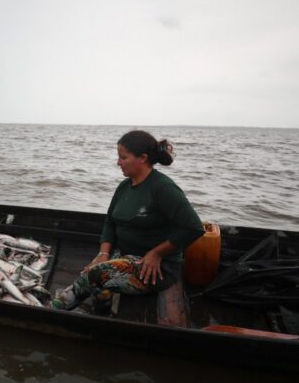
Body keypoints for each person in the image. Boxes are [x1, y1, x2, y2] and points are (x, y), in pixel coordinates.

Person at [52, 129, 204, 313]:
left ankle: (56, 310)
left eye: (123, 157)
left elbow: (194, 227)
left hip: (155, 268)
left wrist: (157, 253)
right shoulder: (124, 186)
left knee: (95, 275)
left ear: (142, 158)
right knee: (90, 272)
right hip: (123, 255)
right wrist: (103, 254)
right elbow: (110, 222)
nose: (118, 162)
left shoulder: (163, 188)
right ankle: (85, 310)